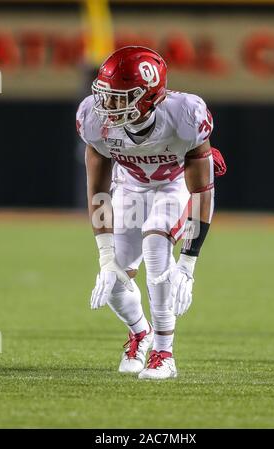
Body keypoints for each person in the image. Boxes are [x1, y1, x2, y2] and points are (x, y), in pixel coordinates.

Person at [76, 46, 226, 380]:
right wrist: (104, 255)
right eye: (105, 95)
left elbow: (203, 190)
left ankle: (164, 354)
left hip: (173, 186)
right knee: (115, 278)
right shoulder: (94, 121)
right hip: (128, 188)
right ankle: (139, 334)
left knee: (157, 243)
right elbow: (98, 189)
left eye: (119, 97)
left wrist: (188, 264)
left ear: (147, 96)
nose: (106, 106)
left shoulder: (184, 114)